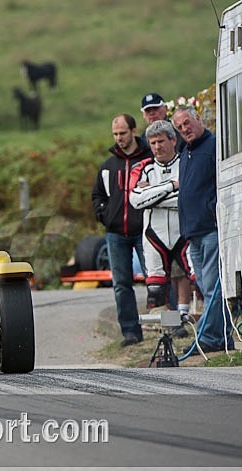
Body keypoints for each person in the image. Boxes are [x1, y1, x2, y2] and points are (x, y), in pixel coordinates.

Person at [172, 105, 234, 353]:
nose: (184, 129)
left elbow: (223, 183)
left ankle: (209, 337)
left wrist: (212, 209)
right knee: (205, 287)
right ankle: (221, 336)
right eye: (179, 127)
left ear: (198, 119)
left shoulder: (213, 146)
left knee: (211, 286)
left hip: (210, 228)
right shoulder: (185, 152)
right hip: (192, 232)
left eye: (187, 122)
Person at [92, 114, 152, 347]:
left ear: (134, 131)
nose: (119, 138)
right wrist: (104, 215)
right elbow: (97, 195)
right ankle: (130, 331)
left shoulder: (149, 160)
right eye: (115, 134)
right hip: (116, 233)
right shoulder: (108, 166)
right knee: (121, 284)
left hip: (145, 231)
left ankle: (170, 325)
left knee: (155, 278)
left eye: (123, 133)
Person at [129, 120, 192, 337]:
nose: (157, 147)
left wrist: (153, 194)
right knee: (156, 290)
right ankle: (171, 327)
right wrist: (171, 186)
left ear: (173, 140)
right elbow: (136, 201)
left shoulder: (186, 162)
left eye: (161, 141)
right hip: (154, 235)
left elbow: (188, 197)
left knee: (197, 280)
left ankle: (201, 327)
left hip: (183, 231)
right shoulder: (144, 168)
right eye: (153, 143)